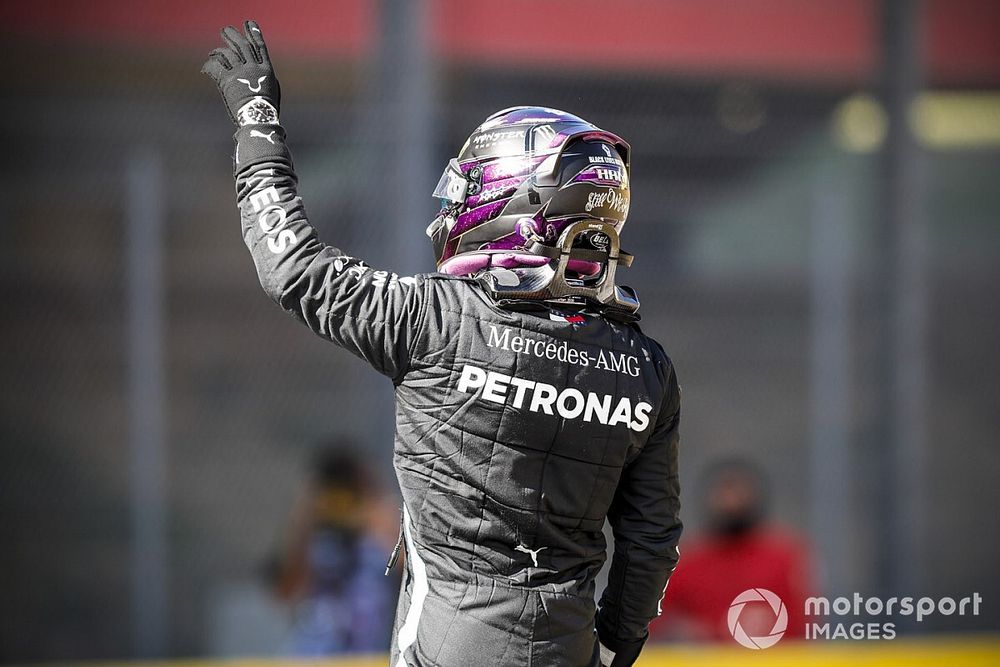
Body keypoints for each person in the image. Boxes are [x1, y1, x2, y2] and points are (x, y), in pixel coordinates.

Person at [202, 21, 682, 667]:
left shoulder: (434, 318)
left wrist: (256, 119)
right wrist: (617, 647)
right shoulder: (647, 368)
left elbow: (293, 267)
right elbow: (651, 542)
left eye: (470, 187)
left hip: (444, 647)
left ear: (513, 200)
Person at [649, 459, 812, 642]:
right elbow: (655, 618)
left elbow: (803, 619)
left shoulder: (783, 557)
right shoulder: (686, 561)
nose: (731, 501)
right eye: (724, 491)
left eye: (739, 492)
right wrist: (684, 631)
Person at [272, 445, 399, 655]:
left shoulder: (379, 529)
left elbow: (409, 565)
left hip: (369, 651)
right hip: (315, 651)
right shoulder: (313, 537)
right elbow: (285, 592)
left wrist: (370, 512)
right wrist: (304, 521)